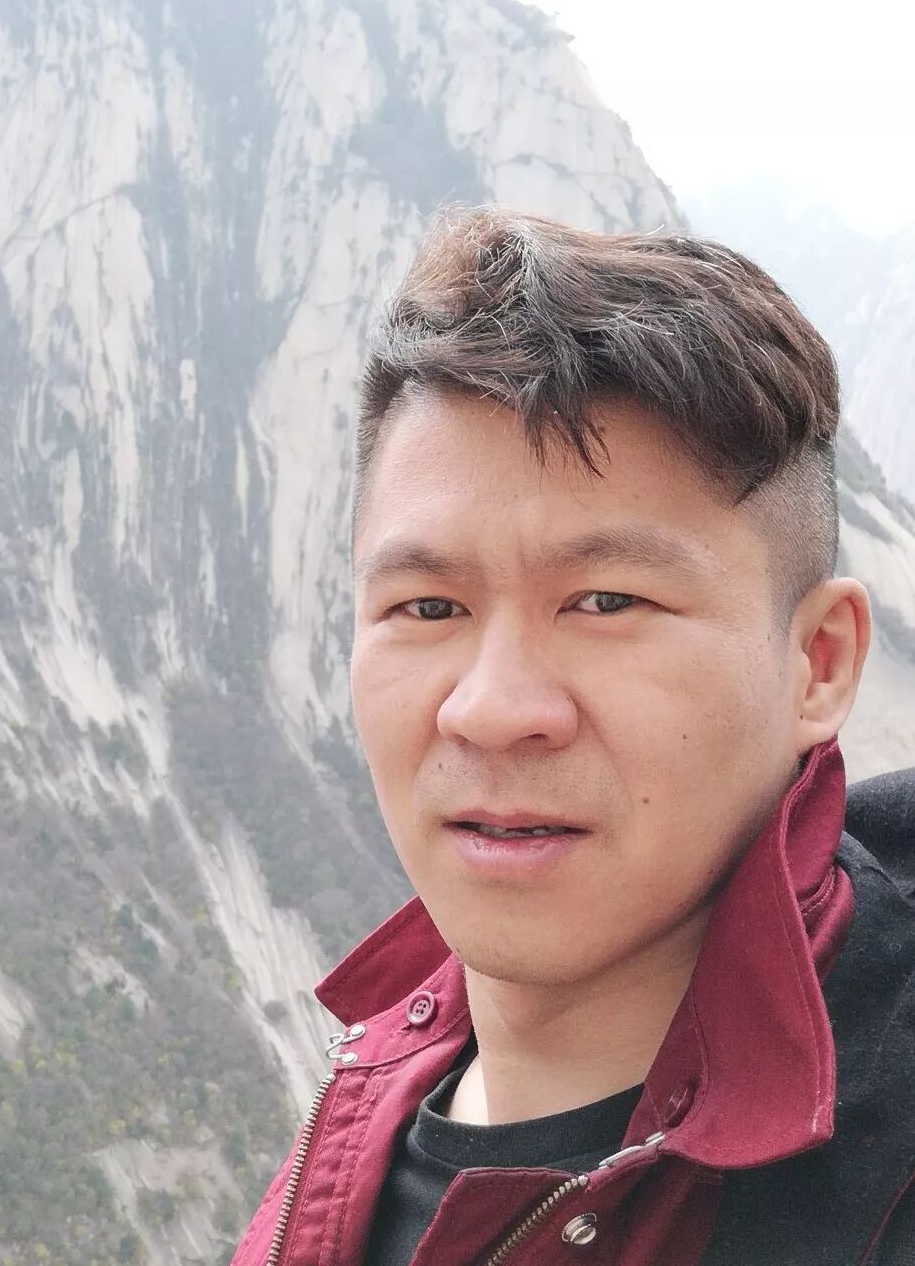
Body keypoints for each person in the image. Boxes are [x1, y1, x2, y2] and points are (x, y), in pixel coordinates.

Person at [231, 208, 915, 1266]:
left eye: (604, 602)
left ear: (815, 663)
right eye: (427, 607)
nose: (489, 709)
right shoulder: (358, 1118)